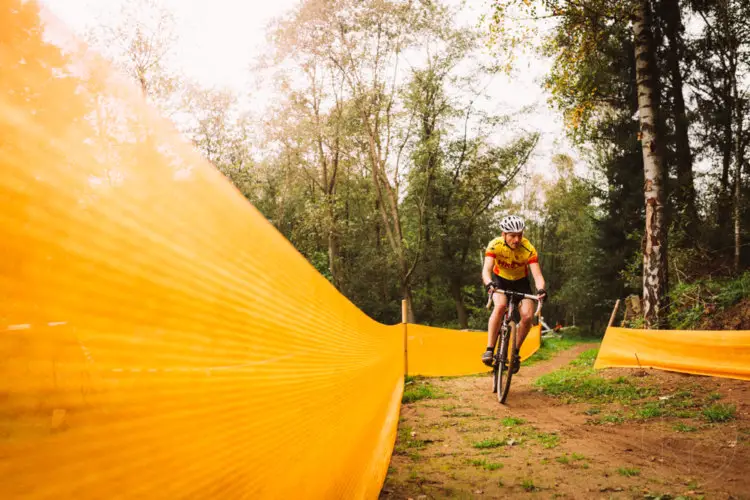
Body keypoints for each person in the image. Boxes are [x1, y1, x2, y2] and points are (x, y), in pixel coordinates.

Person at [481, 215, 547, 372]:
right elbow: (486, 270)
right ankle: (490, 349)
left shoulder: (528, 249)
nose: (517, 239)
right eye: (512, 235)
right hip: (500, 280)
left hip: (521, 283)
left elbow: (537, 275)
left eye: (520, 235)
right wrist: (489, 283)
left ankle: (515, 352)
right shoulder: (494, 245)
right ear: (503, 234)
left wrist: (541, 289)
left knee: (527, 316)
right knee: (500, 306)